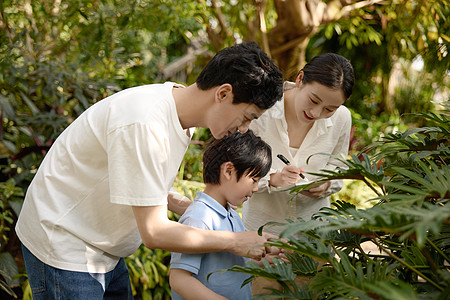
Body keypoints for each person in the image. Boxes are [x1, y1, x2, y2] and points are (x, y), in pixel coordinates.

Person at [15, 42, 284, 299]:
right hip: (65, 241)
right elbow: (154, 232)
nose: (244, 128)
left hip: (103, 247)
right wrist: (235, 241)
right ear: (223, 93)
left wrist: (200, 211)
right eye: (248, 116)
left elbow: (146, 184)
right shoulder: (145, 123)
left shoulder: (181, 117)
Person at [241, 52, 354, 297]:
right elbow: (235, 171)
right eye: (313, 100)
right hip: (262, 239)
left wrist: (325, 186)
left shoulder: (342, 119)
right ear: (300, 79)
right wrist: (271, 179)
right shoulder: (263, 110)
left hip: (313, 241)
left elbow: (340, 169)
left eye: (330, 109)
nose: (316, 112)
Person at [170, 130, 272, 300]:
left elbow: (232, 262)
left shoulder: (231, 215)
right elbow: (179, 279)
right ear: (229, 170)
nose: (255, 188)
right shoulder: (199, 217)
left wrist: (266, 259)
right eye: (254, 180)